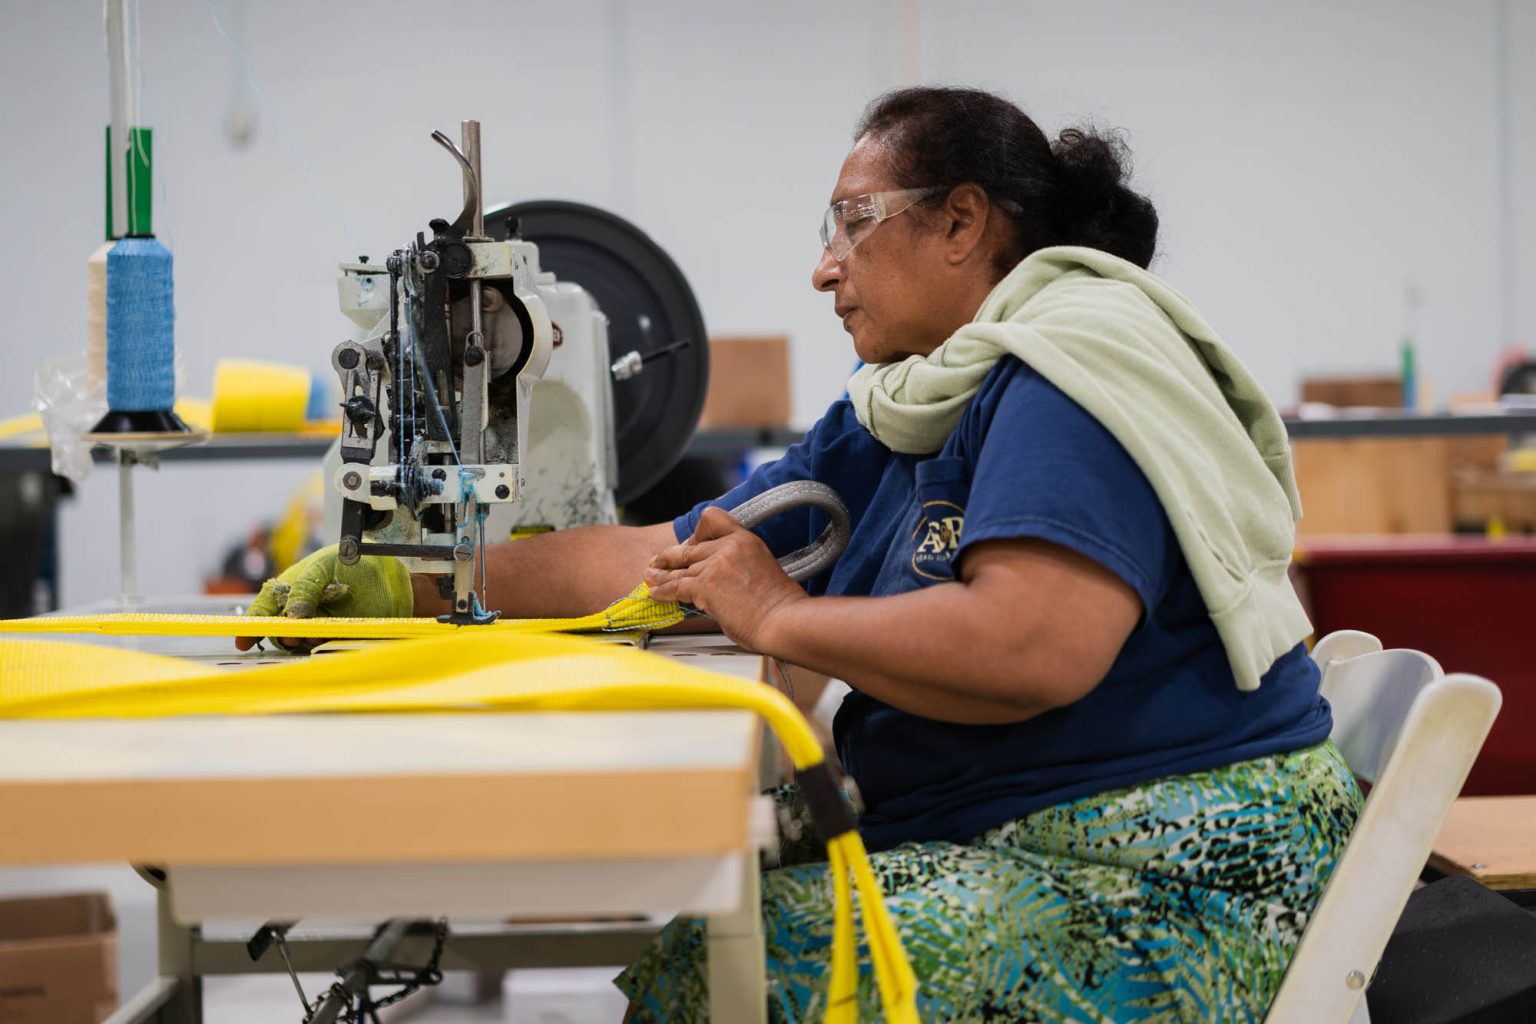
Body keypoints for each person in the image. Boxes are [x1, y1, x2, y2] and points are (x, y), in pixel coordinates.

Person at [247, 86, 1362, 1023]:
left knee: (739, 971)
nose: (823, 270)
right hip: (1025, 826)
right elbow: (669, 556)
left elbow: (1037, 644)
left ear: (963, 223)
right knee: (712, 942)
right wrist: (430, 578)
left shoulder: (1066, 372)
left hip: (1173, 872)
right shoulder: (913, 400)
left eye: (849, 223)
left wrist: (778, 618)